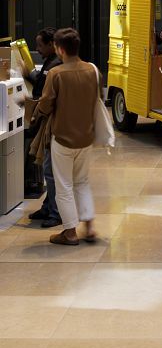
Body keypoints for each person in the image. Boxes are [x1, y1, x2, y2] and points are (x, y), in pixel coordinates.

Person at [35, 28, 101, 246]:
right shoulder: (92, 70)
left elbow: (45, 106)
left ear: (60, 49)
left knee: (64, 185)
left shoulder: (56, 74)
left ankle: (70, 232)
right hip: (86, 137)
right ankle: (89, 227)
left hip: (63, 138)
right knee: (82, 182)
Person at [24, 28, 62, 227]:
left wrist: (34, 110)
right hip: (48, 122)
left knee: (50, 170)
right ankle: (48, 207)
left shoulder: (55, 67)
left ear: (51, 44)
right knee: (48, 169)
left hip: (51, 124)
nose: (37, 50)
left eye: (40, 45)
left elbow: (47, 98)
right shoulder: (52, 63)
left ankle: (55, 213)